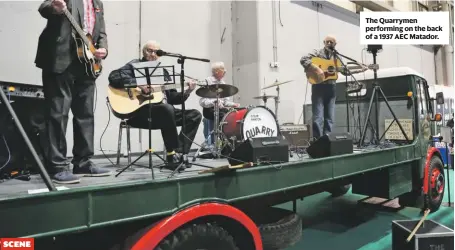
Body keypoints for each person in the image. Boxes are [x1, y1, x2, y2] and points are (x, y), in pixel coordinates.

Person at [35, 0, 111, 184]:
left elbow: (100, 30)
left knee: (85, 114)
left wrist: (103, 48)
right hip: (61, 59)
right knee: (58, 114)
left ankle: (83, 162)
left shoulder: (97, 2)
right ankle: (57, 166)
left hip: (86, 62)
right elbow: (44, 7)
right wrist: (55, 8)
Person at [108, 40, 202, 169]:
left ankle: (179, 153)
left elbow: (174, 98)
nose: (153, 54)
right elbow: (113, 77)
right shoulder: (134, 65)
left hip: (164, 113)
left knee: (194, 115)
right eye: (149, 51)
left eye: (156, 52)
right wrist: (138, 84)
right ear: (143, 52)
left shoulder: (163, 72)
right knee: (166, 109)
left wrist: (188, 91)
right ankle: (171, 155)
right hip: (140, 114)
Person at [300, 35, 367, 139]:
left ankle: (327, 140)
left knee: (330, 118)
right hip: (318, 87)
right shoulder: (317, 52)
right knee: (318, 117)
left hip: (331, 89)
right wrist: (317, 69)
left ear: (335, 44)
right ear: (324, 42)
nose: (329, 44)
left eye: (331, 42)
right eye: (327, 42)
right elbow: (303, 59)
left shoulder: (336, 57)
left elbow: (345, 71)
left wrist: (360, 69)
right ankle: (317, 140)